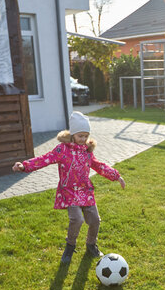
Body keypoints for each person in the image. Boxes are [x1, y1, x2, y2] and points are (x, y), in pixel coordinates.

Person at [12, 111, 126, 265]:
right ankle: (70, 246)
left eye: (86, 136)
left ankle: (91, 244)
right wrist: (24, 165)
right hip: (69, 191)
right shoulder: (62, 150)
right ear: (73, 135)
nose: (84, 139)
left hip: (85, 190)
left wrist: (116, 176)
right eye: (80, 136)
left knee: (94, 220)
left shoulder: (87, 152)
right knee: (77, 219)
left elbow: (99, 166)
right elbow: (44, 159)